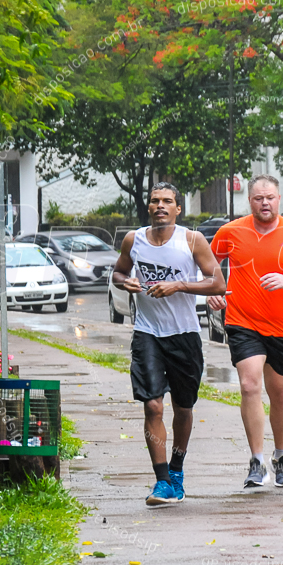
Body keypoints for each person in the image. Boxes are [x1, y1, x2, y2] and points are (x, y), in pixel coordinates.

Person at [112, 182, 226, 506]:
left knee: (184, 408)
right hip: (147, 333)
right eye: (154, 201)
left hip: (185, 335)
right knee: (152, 405)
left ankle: (177, 470)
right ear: (147, 207)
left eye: (167, 201)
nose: (160, 206)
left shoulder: (191, 240)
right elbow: (117, 274)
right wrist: (128, 282)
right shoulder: (133, 240)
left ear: (178, 208)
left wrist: (180, 285)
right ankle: (161, 481)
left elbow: (218, 282)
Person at [207, 175, 283, 488]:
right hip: (243, 321)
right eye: (258, 198)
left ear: (279, 199)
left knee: (280, 394)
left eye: (269, 197)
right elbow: (209, 263)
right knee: (249, 384)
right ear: (249, 201)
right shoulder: (231, 232)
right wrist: (213, 289)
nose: (264, 203)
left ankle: (281, 458)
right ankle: (257, 461)